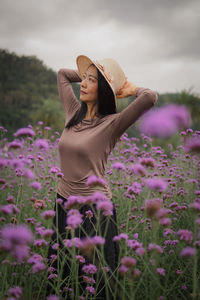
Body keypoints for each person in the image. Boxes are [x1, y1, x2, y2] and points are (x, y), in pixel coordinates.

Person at [46, 55, 158, 299]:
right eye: (84, 79)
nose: (83, 84)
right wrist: (92, 70)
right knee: (61, 276)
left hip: (94, 212)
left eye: (91, 81)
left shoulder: (112, 124)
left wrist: (125, 87)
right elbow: (63, 75)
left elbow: (149, 97)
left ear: (104, 90)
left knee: (94, 283)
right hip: (63, 204)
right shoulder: (72, 113)